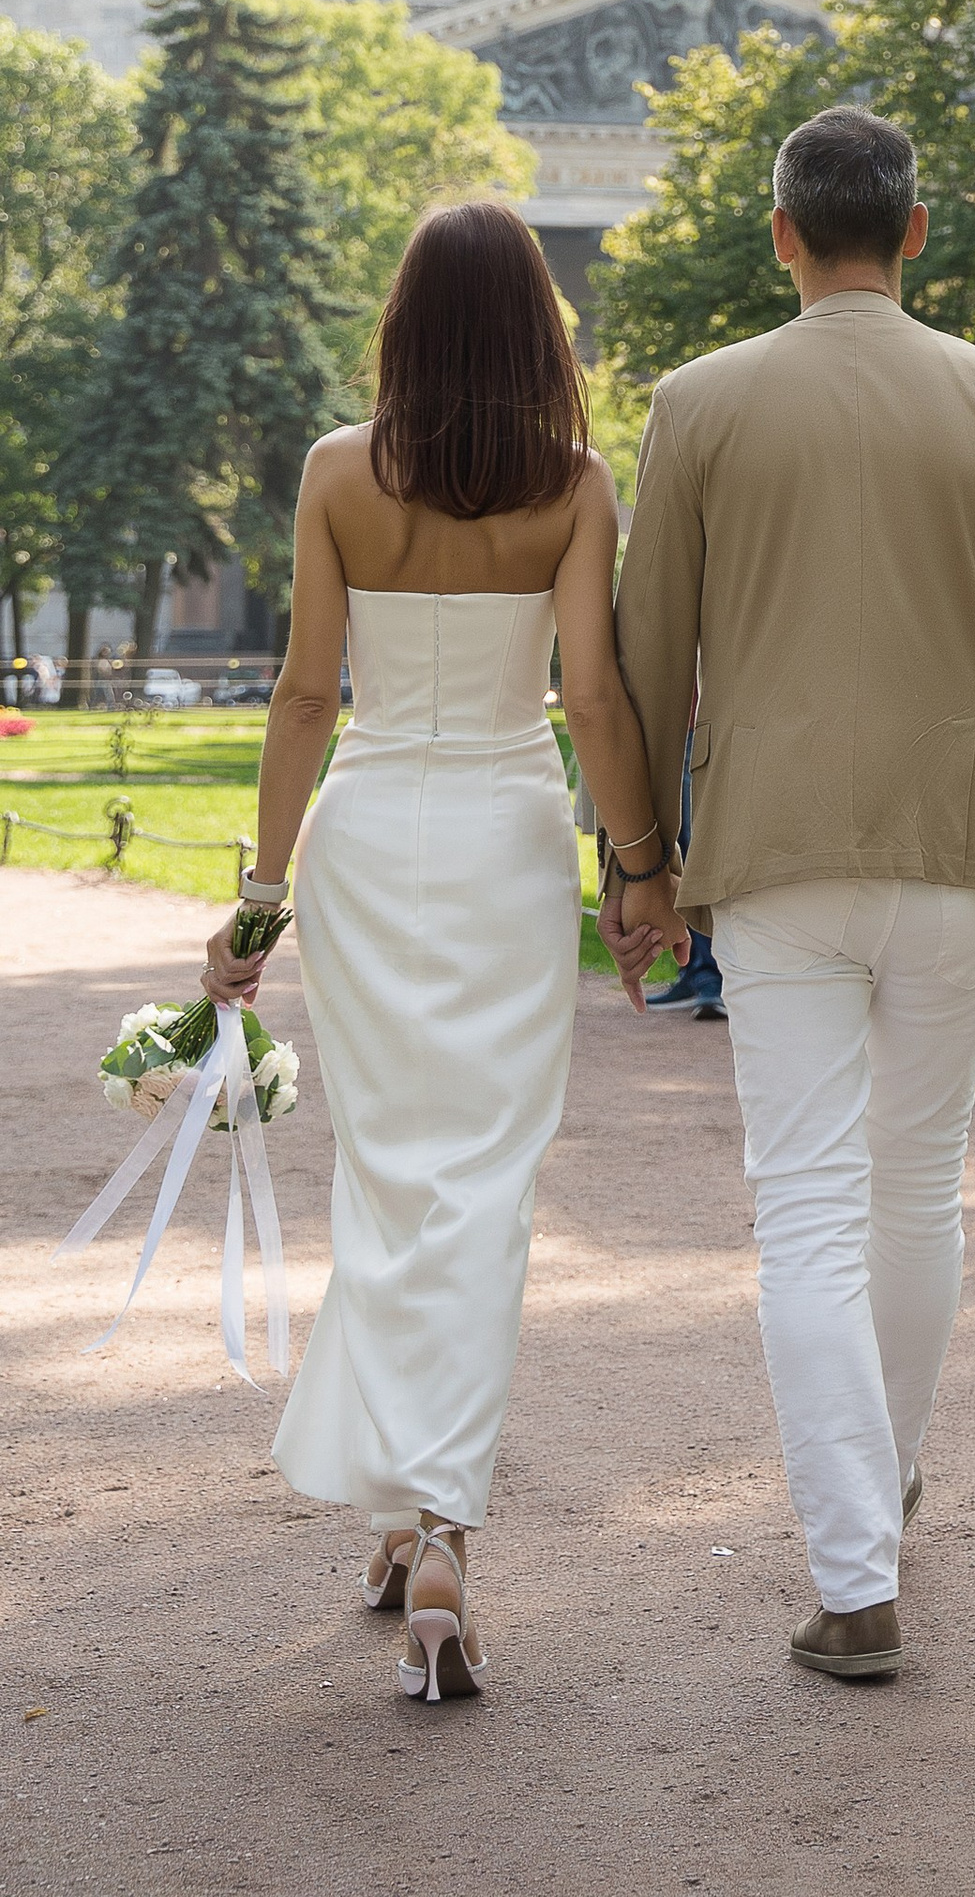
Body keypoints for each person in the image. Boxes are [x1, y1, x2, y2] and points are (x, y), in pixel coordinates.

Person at [605, 105, 975, 1688]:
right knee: (923, 1189)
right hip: (957, 848)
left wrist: (635, 869)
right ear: (917, 226)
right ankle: (876, 1492)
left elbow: (644, 664)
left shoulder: (698, 404)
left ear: (781, 234)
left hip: (770, 855)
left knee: (807, 1203)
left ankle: (853, 1566)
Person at [203, 202, 668, 1706]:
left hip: (369, 835)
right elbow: (592, 700)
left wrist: (259, 899)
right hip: (507, 838)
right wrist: (644, 869)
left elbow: (301, 698)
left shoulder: (340, 472)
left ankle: (409, 1518)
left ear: (404, 321)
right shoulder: (578, 484)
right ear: (542, 325)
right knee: (483, 1184)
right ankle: (440, 1522)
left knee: (391, 1169)